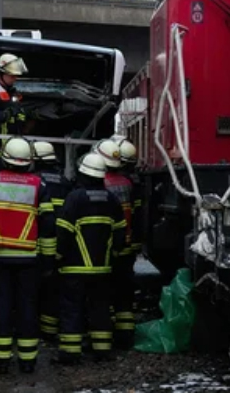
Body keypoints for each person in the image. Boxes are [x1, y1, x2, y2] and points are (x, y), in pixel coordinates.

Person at [0, 137, 53, 375]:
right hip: (29, 257)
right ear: (29, 161)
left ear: (4, 158)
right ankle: (28, 360)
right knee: (27, 307)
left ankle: (1, 360)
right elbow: (48, 224)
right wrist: (48, 259)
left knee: (1, 306)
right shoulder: (39, 185)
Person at [54, 152, 125, 365]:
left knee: (71, 309)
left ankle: (70, 353)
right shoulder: (112, 199)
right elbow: (120, 232)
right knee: (100, 308)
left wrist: (58, 255)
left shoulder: (75, 198)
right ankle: (102, 350)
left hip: (74, 268)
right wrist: (115, 254)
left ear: (82, 173)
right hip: (102, 269)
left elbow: (64, 230)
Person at [96, 138, 138, 349]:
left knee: (103, 290)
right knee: (124, 291)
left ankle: (104, 336)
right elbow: (136, 212)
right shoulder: (127, 184)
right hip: (126, 245)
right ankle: (126, 334)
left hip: (105, 247)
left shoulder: (100, 184)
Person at [32, 140, 71, 342]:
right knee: (53, 288)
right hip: (59, 242)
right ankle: (49, 329)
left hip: (35, 242)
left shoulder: (34, 180)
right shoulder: (65, 182)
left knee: (32, 288)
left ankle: (32, 326)